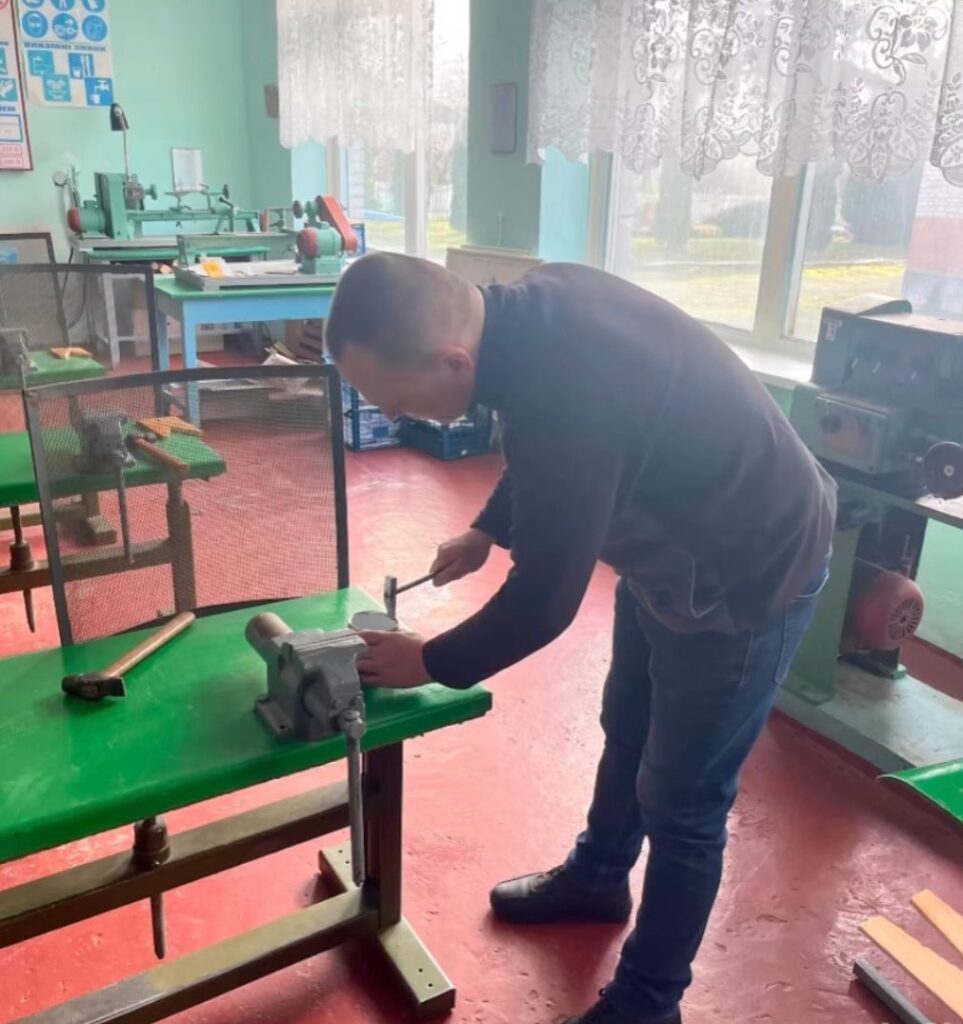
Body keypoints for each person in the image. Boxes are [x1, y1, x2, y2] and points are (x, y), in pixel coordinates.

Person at [325, 253, 836, 1024]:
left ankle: (647, 1004)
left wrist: (427, 660)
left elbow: (542, 604)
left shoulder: (562, 391)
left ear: (452, 360)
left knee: (684, 804)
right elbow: (550, 444)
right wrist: (488, 528)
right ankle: (598, 877)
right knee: (625, 728)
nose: (397, 418)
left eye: (397, 401)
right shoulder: (525, 318)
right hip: (669, 551)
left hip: (743, 568)